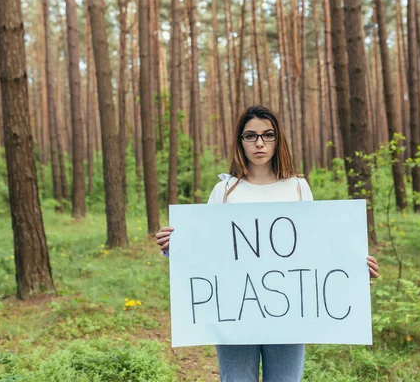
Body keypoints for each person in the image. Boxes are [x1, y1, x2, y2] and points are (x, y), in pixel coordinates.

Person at [156, 105, 380, 382]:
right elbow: (206, 249)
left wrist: (352, 272)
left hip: (289, 316)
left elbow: (316, 250)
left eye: (267, 135)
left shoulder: (298, 188)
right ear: (241, 141)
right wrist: (172, 246)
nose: (259, 143)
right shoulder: (224, 191)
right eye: (250, 136)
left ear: (278, 140)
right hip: (234, 314)